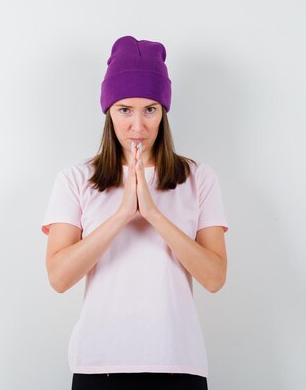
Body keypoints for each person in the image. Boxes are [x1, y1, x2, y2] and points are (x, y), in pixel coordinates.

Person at [41, 35, 229, 390]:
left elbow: (215, 277)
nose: (138, 126)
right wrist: (122, 214)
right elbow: (59, 278)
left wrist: (154, 215)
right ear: (109, 111)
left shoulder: (198, 179)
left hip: (178, 365)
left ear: (164, 112)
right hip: (100, 366)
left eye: (150, 110)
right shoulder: (76, 179)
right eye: (124, 109)